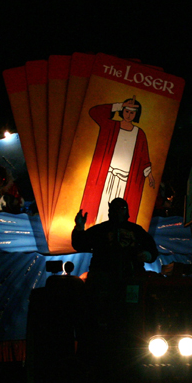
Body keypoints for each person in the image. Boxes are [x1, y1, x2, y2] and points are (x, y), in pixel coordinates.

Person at [72, 198, 158, 343]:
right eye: (115, 208)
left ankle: (132, 342)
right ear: (110, 210)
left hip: (130, 279)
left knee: (131, 316)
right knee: (103, 317)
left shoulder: (136, 231)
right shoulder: (100, 230)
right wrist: (79, 228)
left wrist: (147, 255)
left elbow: (152, 250)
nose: (118, 212)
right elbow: (80, 244)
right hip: (104, 282)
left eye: (121, 208)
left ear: (126, 211)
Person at [79, 98, 155, 226]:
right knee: (101, 204)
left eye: (132, 112)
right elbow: (94, 112)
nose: (129, 115)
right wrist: (119, 105)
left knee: (119, 211)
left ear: (136, 114)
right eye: (126, 111)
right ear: (122, 111)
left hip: (125, 181)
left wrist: (150, 176)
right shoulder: (110, 126)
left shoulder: (139, 134)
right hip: (107, 176)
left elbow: (144, 158)